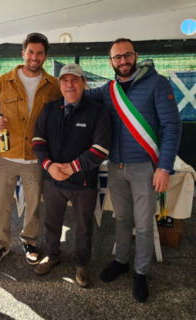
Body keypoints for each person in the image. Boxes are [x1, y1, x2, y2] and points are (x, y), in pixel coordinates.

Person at [86, 38, 181, 302]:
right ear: (111, 62)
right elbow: (77, 93)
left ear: (136, 55)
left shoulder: (158, 84)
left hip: (145, 168)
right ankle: (121, 261)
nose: (123, 61)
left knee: (143, 223)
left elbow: (173, 127)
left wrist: (164, 166)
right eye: (118, 57)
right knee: (122, 219)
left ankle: (141, 273)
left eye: (127, 55)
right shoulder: (108, 89)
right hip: (116, 167)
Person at [0, 33, 61, 268]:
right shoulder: (4, 81)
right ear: (23, 53)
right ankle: (0, 244)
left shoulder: (54, 85)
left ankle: (29, 242)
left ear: (45, 56)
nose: (34, 57)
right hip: (6, 155)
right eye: (30, 52)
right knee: (3, 203)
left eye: (39, 53)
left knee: (34, 204)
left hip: (37, 158)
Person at [32, 63, 111, 287]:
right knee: (51, 222)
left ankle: (80, 263)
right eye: (65, 80)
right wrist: (49, 166)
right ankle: (52, 255)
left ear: (84, 83)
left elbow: (100, 149)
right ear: (59, 85)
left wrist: (71, 167)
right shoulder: (50, 109)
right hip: (53, 180)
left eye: (75, 80)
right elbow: (38, 141)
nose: (70, 84)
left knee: (84, 225)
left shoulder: (97, 111)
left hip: (83, 182)